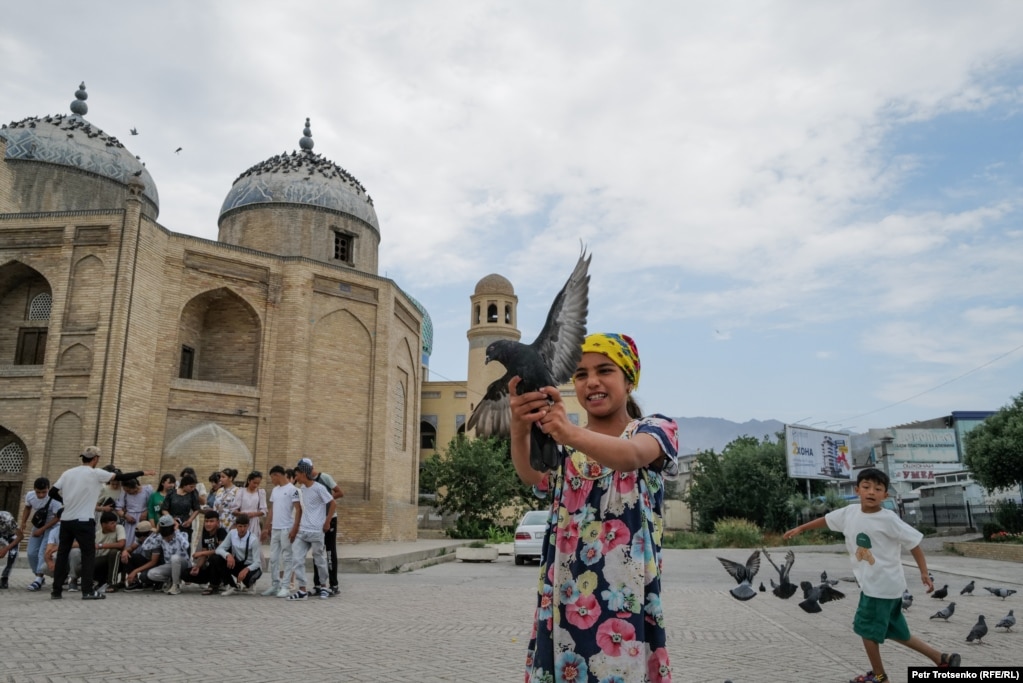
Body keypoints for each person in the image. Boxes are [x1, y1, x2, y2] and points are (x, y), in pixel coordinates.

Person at [508, 333, 679, 682]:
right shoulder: (565, 446)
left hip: (625, 604)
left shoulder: (654, 430)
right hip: (564, 600)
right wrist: (519, 428)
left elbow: (630, 457)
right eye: (581, 374)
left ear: (629, 380)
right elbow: (530, 474)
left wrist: (567, 432)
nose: (592, 382)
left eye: (605, 370)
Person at [785, 467, 962, 683]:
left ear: (885, 495)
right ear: (857, 489)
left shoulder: (888, 519)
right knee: (897, 631)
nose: (871, 492)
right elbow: (826, 520)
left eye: (878, 489)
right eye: (867, 487)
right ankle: (941, 658)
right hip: (883, 587)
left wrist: (924, 572)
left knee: (866, 631)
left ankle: (880, 677)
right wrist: (801, 529)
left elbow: (914, 544)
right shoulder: (849, 513)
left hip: (880, 587)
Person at [50, 446, 154, 600]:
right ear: (95, 459)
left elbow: (52, 492)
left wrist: (66, 502)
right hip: (84, 520)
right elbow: (121, 477)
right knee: (88, 554)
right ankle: (87, 591)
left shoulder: (68, 473)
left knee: (62, 554)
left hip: (66, 520)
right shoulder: (95, 473)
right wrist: (142, 473)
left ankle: (56, 591)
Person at [287, 460, 336, 601]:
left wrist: (327, 521)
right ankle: (302, 590)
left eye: (297, 475)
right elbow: (300, 510)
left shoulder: (319, 488)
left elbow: (333, 503)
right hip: (303, 530)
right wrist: (295, 528)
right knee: (297, 558)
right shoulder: (301, 491)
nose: (296, 478)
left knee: (319, 559)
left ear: (304, 473)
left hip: (316, 530)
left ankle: (324, 587)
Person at [298, 457, 343, 595]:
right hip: (315, 522)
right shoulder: (304, 485)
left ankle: (333, 584)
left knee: (329, 551)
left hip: (329, 519)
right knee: (317, 552)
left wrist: (324, 500)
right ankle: (318, 584)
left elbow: (340, 492)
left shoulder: (324, 478)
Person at [262, 465, 300, 597]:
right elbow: (272, 510)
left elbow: (298, 509)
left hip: (287, 528)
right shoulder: (275, 490)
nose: (271, 480)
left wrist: (295, 528)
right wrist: (266, 527)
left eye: (272, 477)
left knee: (287, 557)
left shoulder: (293, 490)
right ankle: (275, 584)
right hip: (275, 528)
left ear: (276, 475)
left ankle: (286, 586)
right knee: (273, 558)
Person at [20, 476, 62, 592]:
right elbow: (27, 508)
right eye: (38, 492)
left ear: (48, 489)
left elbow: (58, 517)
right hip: (38, 526)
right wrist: (23, 522)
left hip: (52, 527)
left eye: (44, 492)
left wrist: (43, 529)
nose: (41, 495)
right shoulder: (30, 496)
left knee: (42, 552)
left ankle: (38, 579)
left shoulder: (55, 499)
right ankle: (39, 574)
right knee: (31, 552)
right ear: (34, 489)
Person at [67, 511, 124, 592]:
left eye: (115, 522)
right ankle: (100, 581)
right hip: (102, 561)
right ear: (104, 524)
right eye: (112, 523)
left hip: (116, 560)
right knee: (83, 567)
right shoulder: (97, 534)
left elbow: (121, 544)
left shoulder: (119, 528)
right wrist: (62, 546)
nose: (114, 525)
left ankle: (112, 584)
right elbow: (83, 542)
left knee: (114, 552)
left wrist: (100, 545)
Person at [215, 512, 263, 595]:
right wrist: (228, 555)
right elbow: (219, 549)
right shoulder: (232, 533)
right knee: (217, 559)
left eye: (245, 526)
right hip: (237, 563)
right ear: (236, 526)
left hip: (251, 566)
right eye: (240, 526)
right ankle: (232, 585)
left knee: (249, 578)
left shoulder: (253, 539)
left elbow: (257, 562)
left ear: (248, 526)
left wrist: (246, 569)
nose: (242, 529)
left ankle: (250, 583)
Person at [146, 515, 193, 595]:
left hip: (184, 564)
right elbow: (146, 546)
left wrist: (177, 531)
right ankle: (170, 580)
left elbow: (186, 545)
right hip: (170, 565)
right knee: (151, 574)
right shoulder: (160, 537)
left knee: (175, 558)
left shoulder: (182, 534)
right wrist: (156, 531)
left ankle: (176, 585)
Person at [190, 509, 228, 595]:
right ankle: (208, 580)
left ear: (218, 522)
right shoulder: (205, 534)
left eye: (211, 521)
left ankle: (215, 585)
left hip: (224, 563)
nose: (208, 524)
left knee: (215, 558)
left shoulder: (221, 532)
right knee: (186, 574)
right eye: (206, 521)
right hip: (211, 564)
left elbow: (220, 551)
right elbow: (204, 554)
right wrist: (198, 567)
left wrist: (201, 553)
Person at [161, 473, 201, 545]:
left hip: (185, 523)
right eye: (191, 487)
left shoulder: (192, 494)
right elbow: (164, 509)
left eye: (194, 487)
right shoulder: (172, 493)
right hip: (171, 522)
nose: (193, 489)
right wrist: (171, 519)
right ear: (184, 485)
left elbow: (197, 509)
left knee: (184, 545)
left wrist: (190, 520)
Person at [116, 477, 152, 547]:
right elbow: (118, 508)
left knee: (142, 537)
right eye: (125, 490)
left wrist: (146, 512)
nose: (127, 492)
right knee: (129, 539)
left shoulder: (147, 490)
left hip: (143, 519)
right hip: (130, 519)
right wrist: (125, 515)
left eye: (129, 490)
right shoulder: (124, 493)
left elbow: (151, 504)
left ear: (135, 487)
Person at [232, 471, 267, 541]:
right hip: (242, 521)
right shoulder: (241, 491)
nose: (256, 485)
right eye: (254, 483)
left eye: (258, 483)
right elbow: (234, 510)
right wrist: (241, 514)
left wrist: (254, 514)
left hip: (254, 522)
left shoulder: (260, 492)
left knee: (253, 542)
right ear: (249, 480)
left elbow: (264, 510)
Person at [0, 510, 23, 589]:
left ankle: (4, 578)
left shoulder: (7, 519)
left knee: (13, 554)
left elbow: (20, 536)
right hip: (1, 537)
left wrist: (6, 549)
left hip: (11, 537)